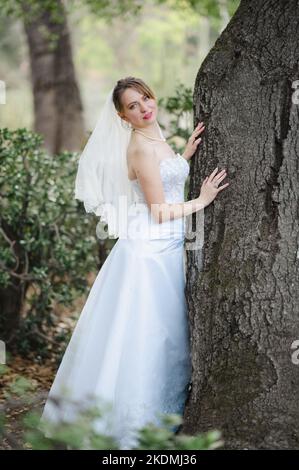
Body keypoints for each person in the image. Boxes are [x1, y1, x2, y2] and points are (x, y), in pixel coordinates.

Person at [41, 77, 229, 449]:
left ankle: (155, 414)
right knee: (151, 335)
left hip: (166, 246)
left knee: (160, 333)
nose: (144, 107)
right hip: (152, 251)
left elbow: (161, 179)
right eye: (132, 105)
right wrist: (203, 200)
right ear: (122, 116)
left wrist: (183, 158)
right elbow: (159, 211)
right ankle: (135, 424)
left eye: (144, 97)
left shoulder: (152, 137)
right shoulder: (139, 148)